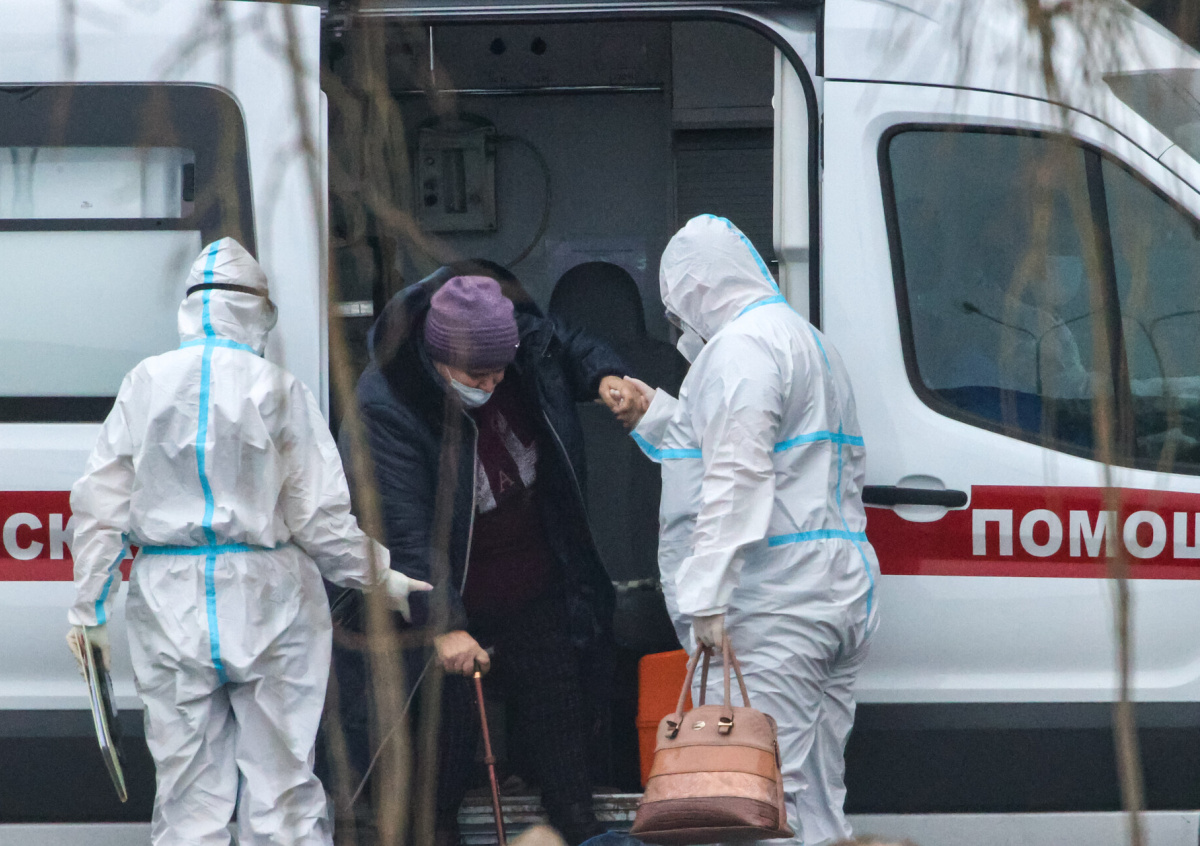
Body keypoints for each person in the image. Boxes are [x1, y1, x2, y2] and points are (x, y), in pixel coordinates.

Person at [65, 238, 427, 846]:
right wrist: (379, 577)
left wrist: (90, 610)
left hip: (169, 598)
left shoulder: (146, 383)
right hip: (271, 597)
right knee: (284, 792)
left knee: (188, 798)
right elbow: (320, 517)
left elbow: (101, 506)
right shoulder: (279, 390)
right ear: (259, 310)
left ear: (189, 307)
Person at [354, 265, 642, 845]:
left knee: (569, 771)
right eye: (474, 375)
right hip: (450, 599)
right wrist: (443, 625)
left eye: (499, 371)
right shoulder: (389, 402)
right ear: (437, 358)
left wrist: (605, 374)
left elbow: (565, 343)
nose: (489, 385)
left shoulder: (523, 350)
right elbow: (404, 530)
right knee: (442, 775)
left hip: (537, 587)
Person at [622, 215, 880, 846]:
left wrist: (708, 596)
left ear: (696, 291)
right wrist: (658, 416)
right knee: (815, 793)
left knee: (757, 799)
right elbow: (766, 452)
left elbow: (737, 474)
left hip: (773, 603)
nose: (680, 326)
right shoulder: (805, 340)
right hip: (833, 593)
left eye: (678, 309)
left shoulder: (740, 349)